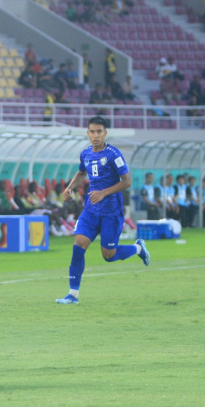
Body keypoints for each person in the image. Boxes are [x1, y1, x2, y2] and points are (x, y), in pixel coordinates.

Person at [55, 116, 150, 305]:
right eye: (92, 131)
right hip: (91, 210)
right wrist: (70, 188)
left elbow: (127, 182)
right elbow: (81, 172)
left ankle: (138, 248)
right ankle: (73, 295)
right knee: (78, 245)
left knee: (109, 255)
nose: (96, 135)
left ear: (105, 133)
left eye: (99, 131)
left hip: (111, 212)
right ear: (88, 133)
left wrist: (103, 193)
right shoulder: (85, 154)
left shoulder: (114, 154)